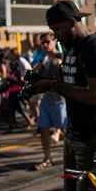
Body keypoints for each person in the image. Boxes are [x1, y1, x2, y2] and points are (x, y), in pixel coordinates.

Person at [32, 0, 96, 191]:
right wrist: (44, 81)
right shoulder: (71, 48)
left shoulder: (94, 48)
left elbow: (95, 96)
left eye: (57, 29)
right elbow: (71, 84)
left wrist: (54, 86)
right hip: (74, 135)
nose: (55, 35)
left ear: (72, 22)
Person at [33, 32, 67, 170]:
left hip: (60, 101)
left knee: (69, 132)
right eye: (43, 43)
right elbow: (34, 73)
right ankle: (47, 158)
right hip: (46, 100)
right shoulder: (45, 58)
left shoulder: (60, 57)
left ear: (54, 42)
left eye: (47, 42)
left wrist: (59, 67)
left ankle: (77, 159)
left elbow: (65, 77)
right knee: (44, 129)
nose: (45, 45)